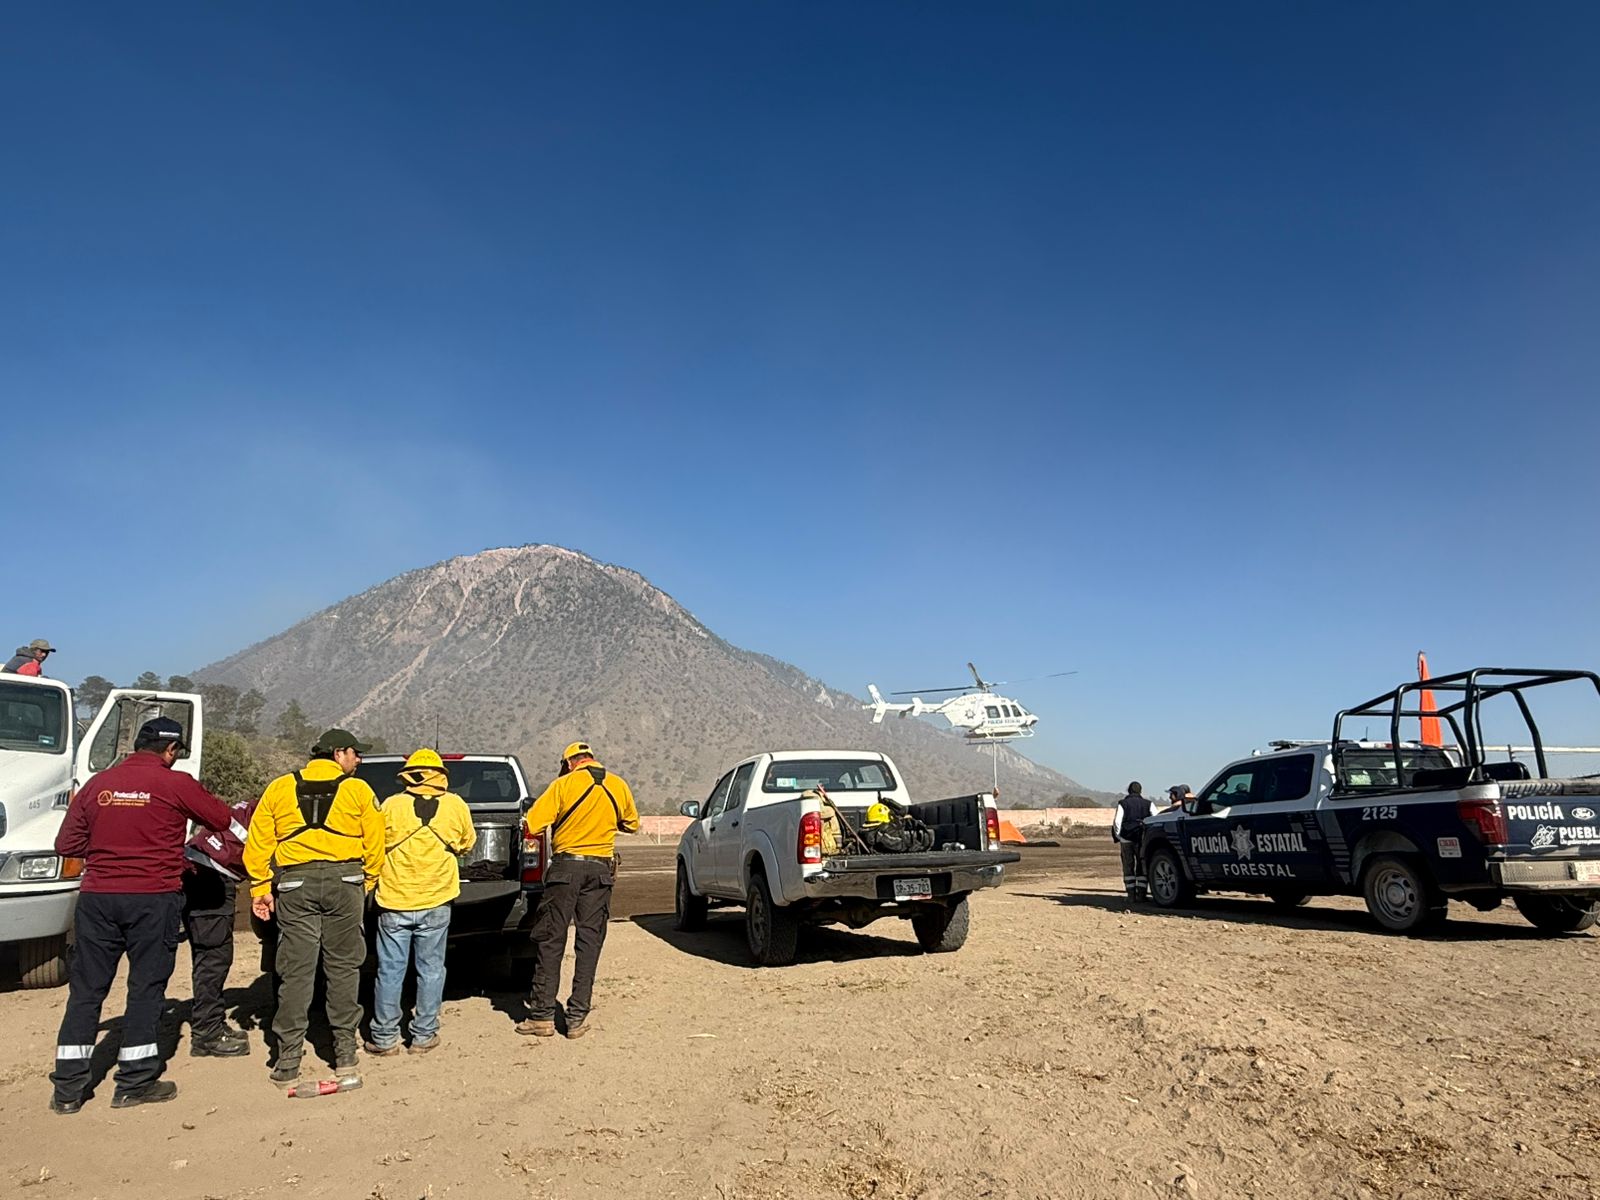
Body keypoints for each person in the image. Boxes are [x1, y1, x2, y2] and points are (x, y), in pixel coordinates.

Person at [48, 717, 244, 1114]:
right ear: (171, 750)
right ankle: (133, 1082)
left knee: (86, 991)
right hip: (153, 898)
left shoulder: (98, 784)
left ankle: (68, 1090)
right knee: (145, 988)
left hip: (98, 899)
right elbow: (222, 820)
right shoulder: (175, 783)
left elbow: (66, 843)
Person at [243, 728, 384, 1090]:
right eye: (355, 753)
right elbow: (376, 842)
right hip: (346, 881)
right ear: (338, 753)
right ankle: (345, 1055)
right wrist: (364, 883)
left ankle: (287, 1060)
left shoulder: (279, 788)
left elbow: (258, 841)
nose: (359, 760)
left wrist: (261, 887)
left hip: (295, 884)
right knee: (344, 967)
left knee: (295, 971)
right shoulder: (358, 790)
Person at [517, 741, 639, 1040]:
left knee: (551, 939)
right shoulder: (618, 784)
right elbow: (632, 825)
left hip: (565, 869)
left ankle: (542, 1016)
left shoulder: (563, 785)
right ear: (590, 759)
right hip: (600, 871)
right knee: (589, 943)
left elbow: (532, 823)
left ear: (569, 762)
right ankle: (576, 1018)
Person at [365, 749, 476, 1056]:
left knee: (389, 970)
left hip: (394, 900)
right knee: (431, 969)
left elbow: (373, 844)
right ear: (440, 775)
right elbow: (467, 844)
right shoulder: (455, 805)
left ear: (409, 775)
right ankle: (424, 1035)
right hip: (437, 900)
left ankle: (385, 1038)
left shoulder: (391, 805)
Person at [180, 787, 267, 1058]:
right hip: (209, 877)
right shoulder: (271, 814)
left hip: (194, 867)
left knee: (207, 957)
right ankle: (207, 1033)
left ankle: (209, 1024)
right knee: (213, 958)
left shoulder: (255, 806)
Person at [1112, 781, 1153, 901]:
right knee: (1142, 865)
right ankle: (1141, 895)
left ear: (1128, 790)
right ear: (1140, 791)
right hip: (1141, 839)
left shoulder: (1123, 803)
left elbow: (1117, 822)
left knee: (1128, 866)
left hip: (1126, 840)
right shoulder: (1148, 804)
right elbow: (1154, 819)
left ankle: (1131, 896)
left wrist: (1120, 837)